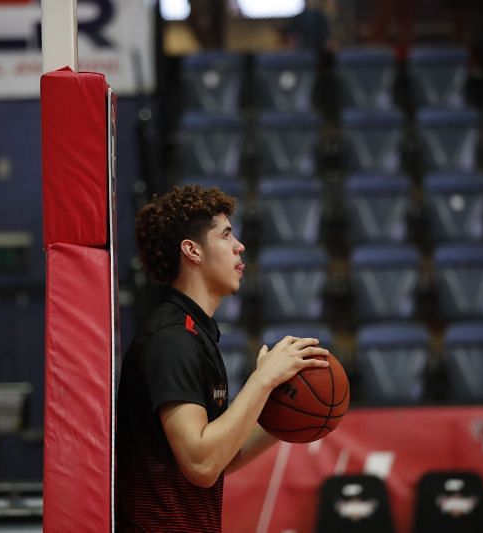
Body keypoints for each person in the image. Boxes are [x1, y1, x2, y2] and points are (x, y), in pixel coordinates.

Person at [115, 185, 330, 532]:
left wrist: (283, 413)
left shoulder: (196, 333)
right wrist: (262, 380)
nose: (239, 245)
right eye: (226, 234)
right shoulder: (172, 340)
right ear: (192, 251)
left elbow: (219, 458)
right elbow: (200, 465)